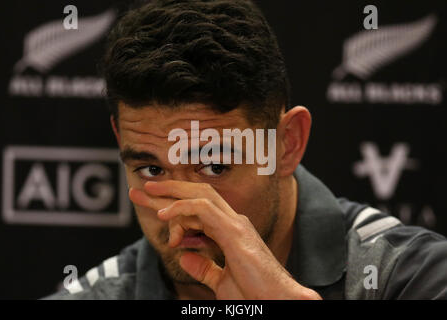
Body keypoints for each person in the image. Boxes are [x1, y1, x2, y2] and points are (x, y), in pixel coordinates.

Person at [45, 0, 447, 300]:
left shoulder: (412, 276)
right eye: (152, 171)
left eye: (215, 166)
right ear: (120, 141)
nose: (182, 215)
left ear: (287, 143)